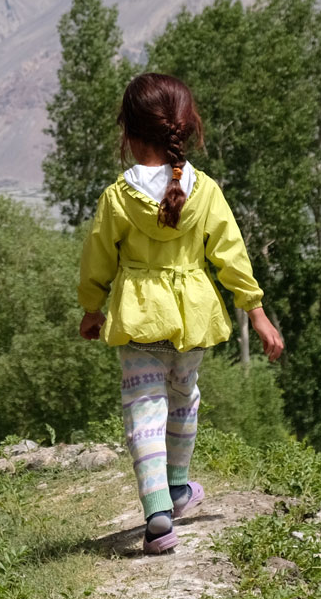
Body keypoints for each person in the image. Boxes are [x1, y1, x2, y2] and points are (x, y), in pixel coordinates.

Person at [77, 72, 285, 555]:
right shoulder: (205, 191)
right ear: (186, 127)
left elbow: (98, 258)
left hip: (138, 314)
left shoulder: (117, 198)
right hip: (193, 315)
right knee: (184, 397)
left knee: (143, 407)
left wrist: (92, 308)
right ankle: (177, 486)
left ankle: (157, 514)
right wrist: (255, 311)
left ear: (126, 134)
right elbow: (230, 255)